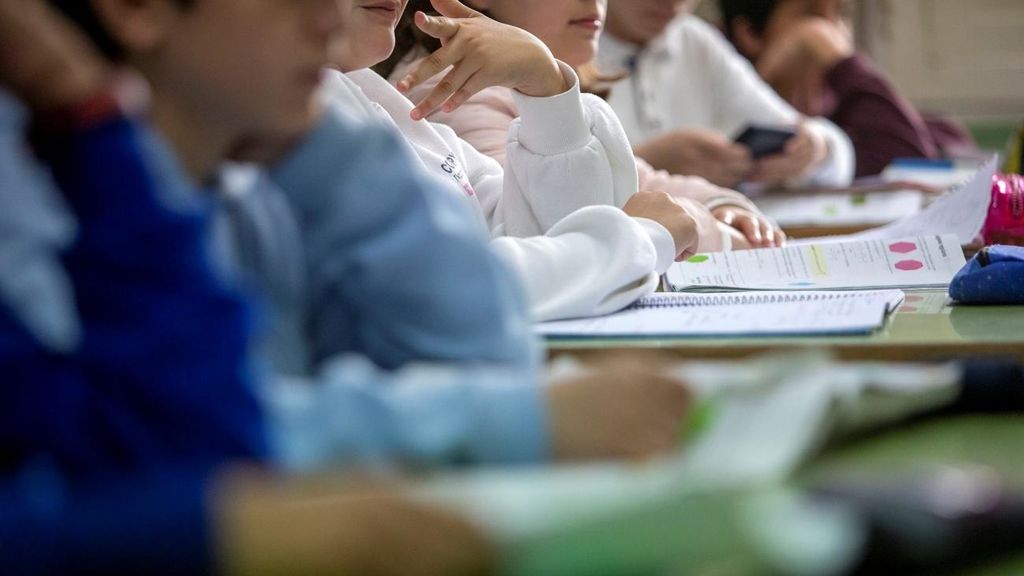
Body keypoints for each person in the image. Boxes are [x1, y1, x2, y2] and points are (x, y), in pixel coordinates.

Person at [43, 0, 694, 472]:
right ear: (136, 8)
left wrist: (550, 88)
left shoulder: (260, 167)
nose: (326, 19)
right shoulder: (58, 201)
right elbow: (189, 445)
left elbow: (482, 346)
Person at [0, 3, 494, 574]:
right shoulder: (37, 196)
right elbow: (185, 471)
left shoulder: (241, 190)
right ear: (138, 8)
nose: (329, 19)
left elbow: (219, 453)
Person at [328, 0, 709, 321]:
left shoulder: (369, 96)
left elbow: (539, 234)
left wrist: (548, 89)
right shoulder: (299, 119)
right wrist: (640, 239)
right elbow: (440, 290)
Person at [385, 0, 785, 249]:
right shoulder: (452, 93)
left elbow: (637, 182)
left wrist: (722, 204)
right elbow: (573, 230)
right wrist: (704, 226)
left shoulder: (522, 90)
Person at [590, 0, 854, 188]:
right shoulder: (563, 45)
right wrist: (644, 164)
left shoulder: (693, 40)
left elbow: (831, 149)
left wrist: (816, 148)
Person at [718, 0, 977, 178]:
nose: (833, 34)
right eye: (810, 15)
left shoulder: (852, 111)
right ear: (749, 33)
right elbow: (906, 156)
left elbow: (935, 152)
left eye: (842, 12)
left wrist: (842, 64)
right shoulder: (722, 118)